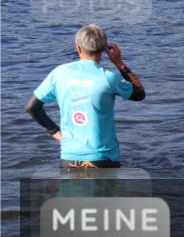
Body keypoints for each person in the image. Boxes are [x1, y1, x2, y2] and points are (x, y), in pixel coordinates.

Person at [25, 24, 146, 169]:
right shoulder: (109, 78)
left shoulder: (59, 73)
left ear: (78, 48)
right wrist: (118, 62)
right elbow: (139, 93)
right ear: (103, 49)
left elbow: (32, 107)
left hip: (69, 159)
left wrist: (55, 132)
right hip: (102, 160)